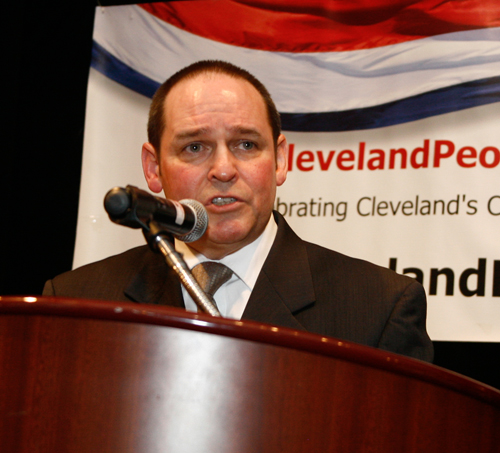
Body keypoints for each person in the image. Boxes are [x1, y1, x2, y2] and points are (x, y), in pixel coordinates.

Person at [43, 60, 433, 362]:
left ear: (280, 160)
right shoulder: (75, 301)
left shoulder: (379, 309)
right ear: (153, 168)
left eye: (246, 144)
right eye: (194, 147)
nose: (224, 170)